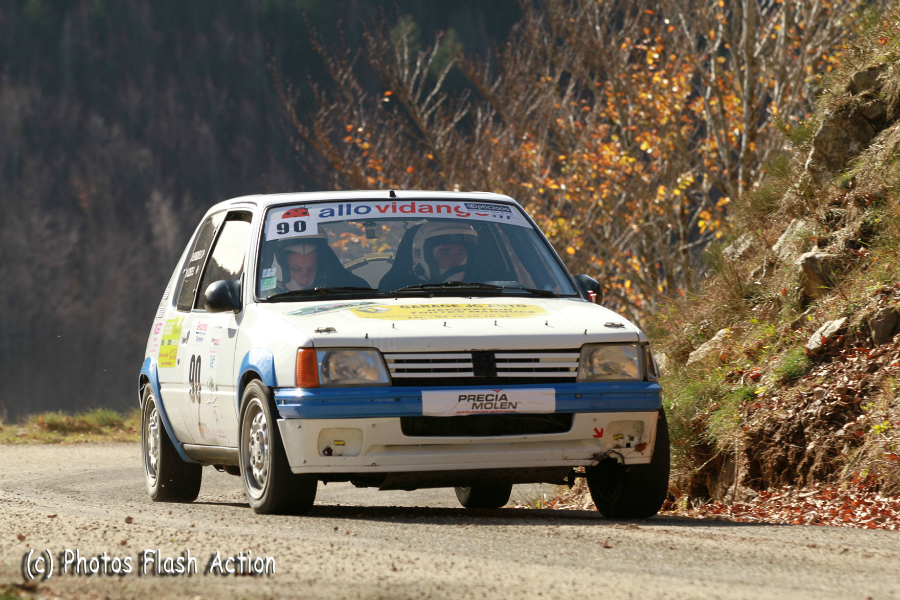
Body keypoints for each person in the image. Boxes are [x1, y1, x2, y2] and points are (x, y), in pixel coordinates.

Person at [411, 222, 479, 283]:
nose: (454, 260)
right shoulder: (405, 295)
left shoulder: (483, 291)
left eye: (460, 254)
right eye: (445, 254)